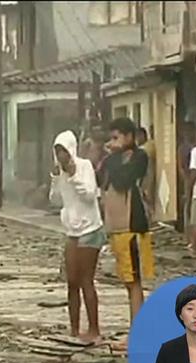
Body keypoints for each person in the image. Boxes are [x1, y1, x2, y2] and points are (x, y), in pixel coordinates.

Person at [49, 131, 105, 341]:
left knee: (85, 280)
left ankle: (94, 329)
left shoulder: (84, 166)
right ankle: (74, 329)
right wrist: (56, 178)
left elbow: (90, 195)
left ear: (70, 150)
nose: (60, 156)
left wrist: (73, 176)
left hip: (90, 229)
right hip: (71, 230)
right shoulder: (60, 173)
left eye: (63, 151)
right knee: (72, 281)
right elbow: (55, 201)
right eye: (57, 152)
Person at [99, 117, 155, 323]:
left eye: (116, 138)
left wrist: (112, 158)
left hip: (131, 223)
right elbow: (101, 179)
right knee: (126, 280)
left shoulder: (139, 157)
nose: (112, 142)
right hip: (116, 225)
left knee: (134, 281)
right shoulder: (112, 159)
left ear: (129, 137)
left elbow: (123, 181)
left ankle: (138, 329)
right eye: (110, 138)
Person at [177, 121, 196, 240]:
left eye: (190, 131)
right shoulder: (182, 148)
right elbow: (180, 166)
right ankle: (187, 234)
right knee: (188, 205)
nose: (188, 134)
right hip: (187, 178)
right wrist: (186, 180)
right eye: (186, 131)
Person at [136, 127, 157, 220]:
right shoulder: (149, 146)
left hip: (146, 182)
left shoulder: (145, 149)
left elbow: (149, 170)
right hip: (145, 182)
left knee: (148, 209)